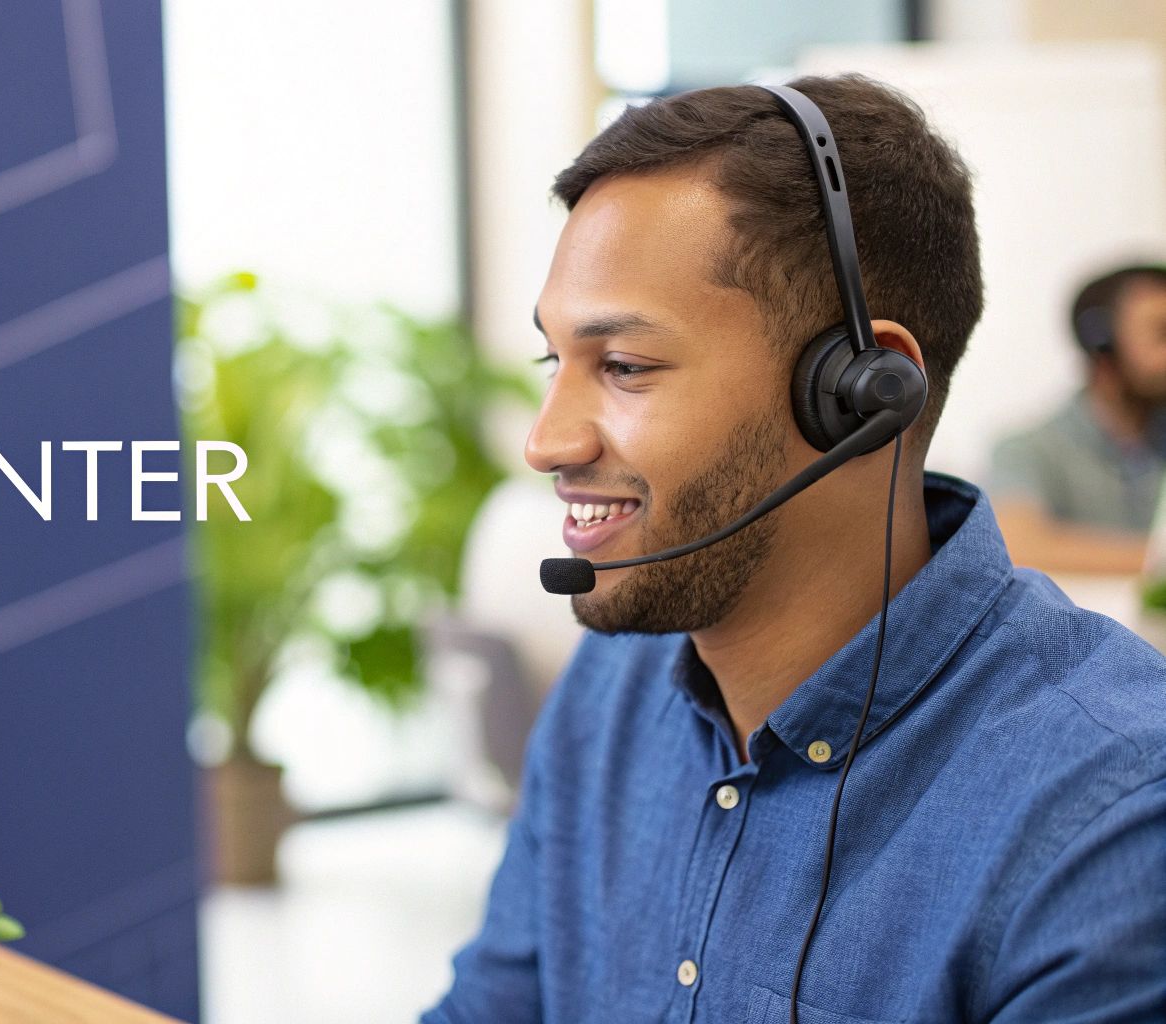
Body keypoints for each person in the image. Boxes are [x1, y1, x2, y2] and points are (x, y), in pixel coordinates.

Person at [423, 75, 1166, 1023]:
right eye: (552, 361)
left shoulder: (1112, 812)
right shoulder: (608, 695)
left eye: (624, 366)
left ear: (860, 393)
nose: (546, 441)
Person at [988, 265, 1166, 575]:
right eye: (1162, 334)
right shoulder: (1027, 450)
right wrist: (1157, 559)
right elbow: (1017, 546)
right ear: (1103, 346)